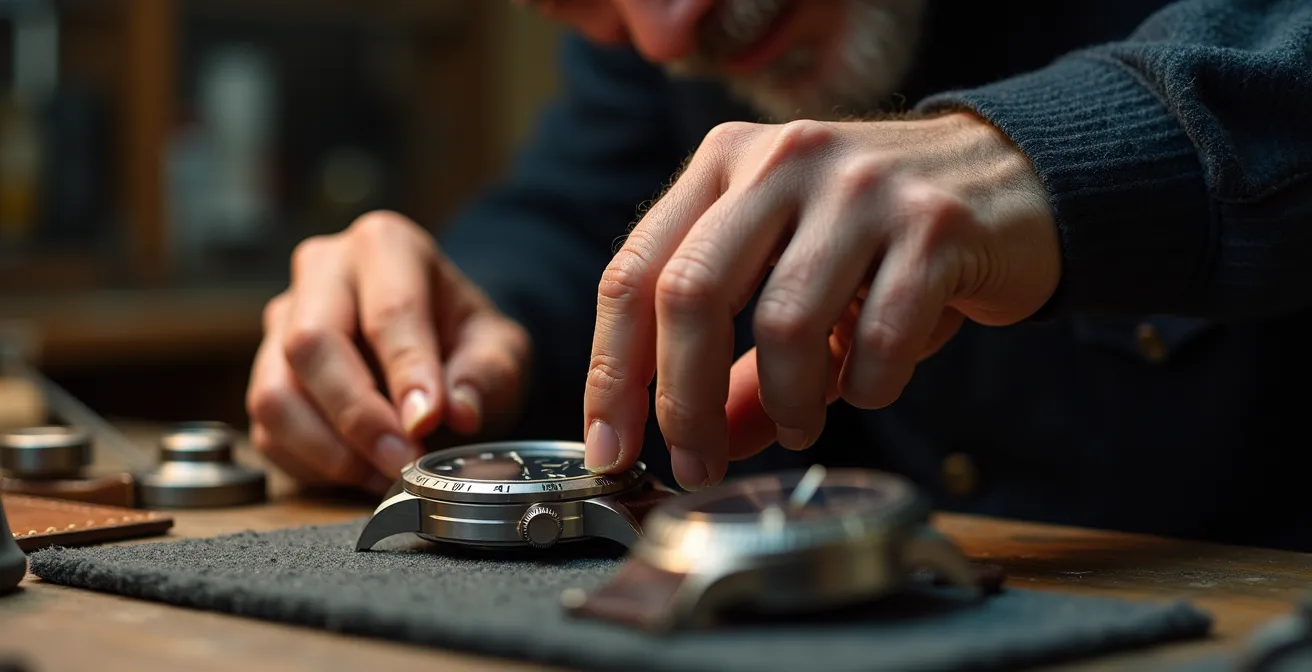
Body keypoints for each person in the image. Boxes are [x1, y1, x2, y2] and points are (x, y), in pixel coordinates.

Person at [246, 0, 1312, 552]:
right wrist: (454, 321)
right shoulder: (664, 32)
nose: (667, 30)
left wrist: (1063, 153)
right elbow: (580, 215)